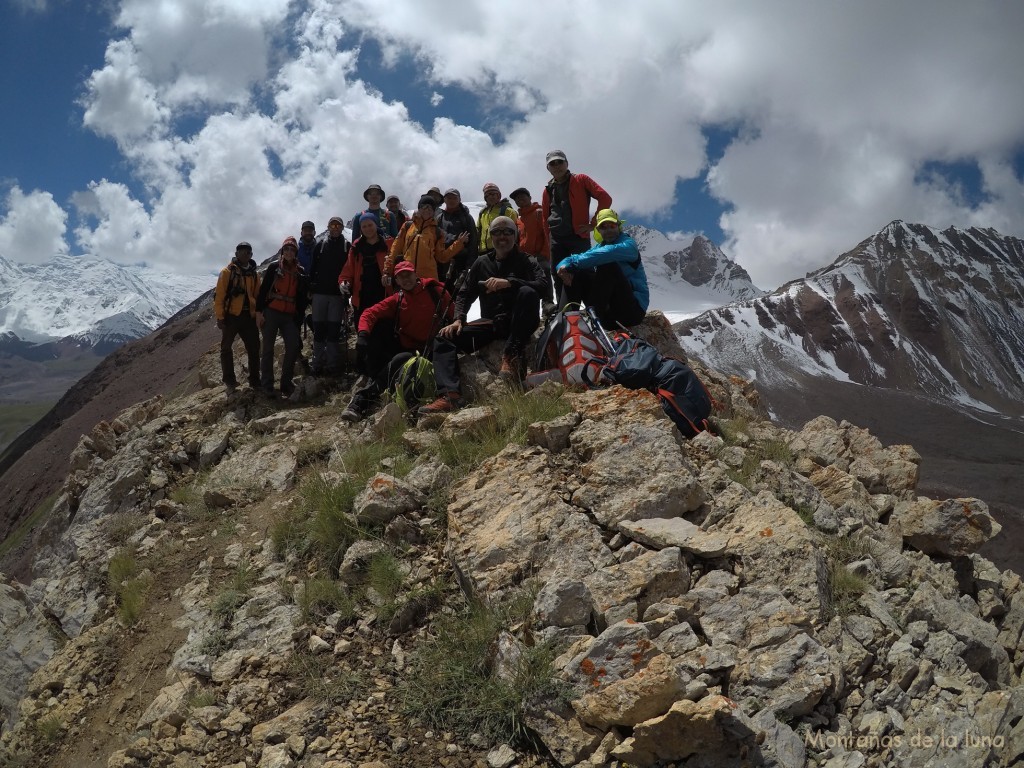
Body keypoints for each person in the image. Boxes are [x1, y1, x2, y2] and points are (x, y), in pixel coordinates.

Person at [419, 216, 546, 414]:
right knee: (444, 338)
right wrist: (458, 319)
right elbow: (464, 293)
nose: (502, 236)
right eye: (496, 232)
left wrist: (510, 282)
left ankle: (510, 354)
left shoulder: (526, 260)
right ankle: (449, 395)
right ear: (490, 236)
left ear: (516, 235)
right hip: (492, 324)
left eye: (507, 232)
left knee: (527, 293)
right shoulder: (481, 263)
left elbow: (543, 286)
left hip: (519, 322)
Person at [341, 260, 453, 422]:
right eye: (401, 277)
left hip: (437, 348)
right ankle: (361, 402)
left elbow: (454, 314)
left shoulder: (437, 292)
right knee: (395, 358)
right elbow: (369, 313)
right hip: (410, 349)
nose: (406, 279)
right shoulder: (397, 299)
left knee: (398, 363)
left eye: (409, 274)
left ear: (416, 274)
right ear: (397, 281)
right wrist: (363, 334)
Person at [555, 209, 649, 329]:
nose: (609, 230)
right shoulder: (599, 248)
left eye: (612, 226)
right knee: (577, 273)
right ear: (598, 230)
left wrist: (572, 263)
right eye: (604, 227)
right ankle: (564, 321)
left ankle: (591, 320)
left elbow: (608, 253)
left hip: (632, 312)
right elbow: (577, 258)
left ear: (618, 227)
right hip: (608, 313)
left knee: (608, 266)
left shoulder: (629, 245)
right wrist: (563, 267)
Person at [540, 149, 612, 305]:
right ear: (548, 168)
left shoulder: (581, 180)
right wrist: (549, 240)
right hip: (556, 239)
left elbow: (605, 198)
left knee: (585, 272)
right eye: (552, 163)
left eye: (560, 162)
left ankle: (594, 310)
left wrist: (593, 224)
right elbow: (545, 218)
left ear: (567, 163)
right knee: (558, 274)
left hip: (577, 236)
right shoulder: (547, 190)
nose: (557, 165)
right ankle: (565, 313)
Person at [256, 237, 309, 398]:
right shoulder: (273, 268)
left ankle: (286, 383)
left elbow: (301, 297)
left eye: (292, 249)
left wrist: (299, 316)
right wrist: (259, 313)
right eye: (286, 249)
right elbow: (264, 290)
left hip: (289, 315)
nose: (289, 252)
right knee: (268, 349)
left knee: (293, 346)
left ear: (296, 253)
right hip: (271, 312)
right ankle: (267, 385)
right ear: (282, 251)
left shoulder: (300, 272)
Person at [385, 195, 468, 282]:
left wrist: (458, 244)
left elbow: (442, 257)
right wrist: (387, 271)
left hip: (428, 279)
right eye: (424, 207)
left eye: (430, 208)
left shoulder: (438, 232)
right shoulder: (407, 226)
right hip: (407, 276)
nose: (427, 210)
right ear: (419, 209)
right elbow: (394, 250)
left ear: (433, 211)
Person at [213, 241, 261, 393]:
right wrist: (220, 317)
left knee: (254, 347)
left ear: (251, 255)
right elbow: (219, 296)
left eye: (248, 252)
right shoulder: (227, 272)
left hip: (249, 316)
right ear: (236, 254)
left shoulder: (254, 274)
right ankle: (229, 380)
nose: (245, 254)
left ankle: (254, 380)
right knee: (226, 348)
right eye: (241, 251)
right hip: (231, 316)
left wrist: (259, 313)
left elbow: (257, 295)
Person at [307, 216, 349, 374]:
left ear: (342, 227)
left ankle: (331, 364)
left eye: (338, 225)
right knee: (319, 329)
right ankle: (316, 364)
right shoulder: (321, 246)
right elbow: (313, 267)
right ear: (328, 227)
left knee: (333, 330)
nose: (335, 227)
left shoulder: (347, 246)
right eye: (333, 224)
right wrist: (310, 287)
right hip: (320, 293)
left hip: (337, 295)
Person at [340, 213, 390, 327]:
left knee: (384, 331)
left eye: (370, 225)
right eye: (364, 226)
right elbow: (348, 270)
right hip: (362, 298)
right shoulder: (356, 248)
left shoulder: (389, 244)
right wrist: (343, 282)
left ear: (376, 225)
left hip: (384, 295)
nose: (367, 228)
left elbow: (397, 267)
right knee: (364, 331)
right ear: (360, 229)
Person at [509, 186, 553, 307]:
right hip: (524, 258)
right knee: (527, 283)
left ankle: (547, 304)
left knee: (544, 274)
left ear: (530, 198)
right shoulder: (518, 220)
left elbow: (546, 234)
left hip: (539, 255)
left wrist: (544, 253)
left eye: (523, 196)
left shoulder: (539, 212)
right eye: (517, 198)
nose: (520, 199)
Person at [435, 188, 479, 287]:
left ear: (459, 200)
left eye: (454, 198)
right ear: (444, 200)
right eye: (449, 198)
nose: (451, 200)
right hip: (443, 263)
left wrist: (470, 265)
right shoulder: (439, 218)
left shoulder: (467, 218)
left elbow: (473, 242)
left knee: (459, 294)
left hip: (461, 262)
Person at [477, 182, 518, 253]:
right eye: (487, 195)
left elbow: (515, 233)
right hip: (483, 251)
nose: (490, 197)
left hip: (502, 250)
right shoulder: (483, 213)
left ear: (499, 196)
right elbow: (478, 231)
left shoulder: (509, 211)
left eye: (493, 194)